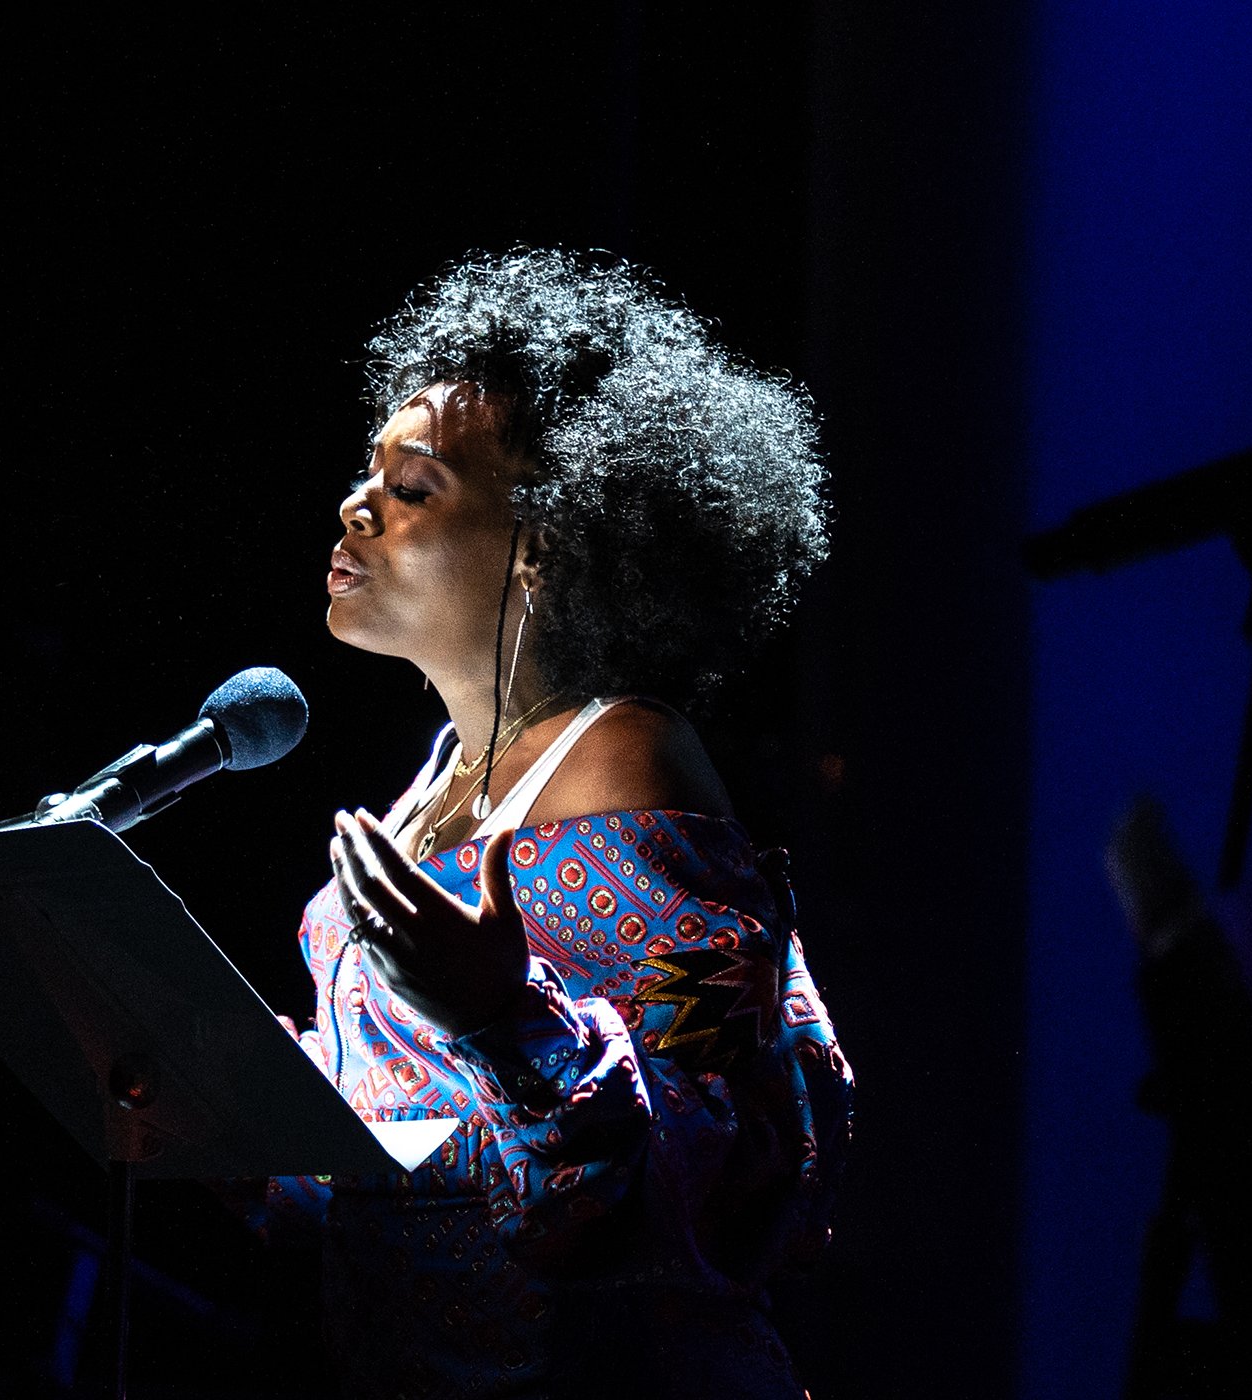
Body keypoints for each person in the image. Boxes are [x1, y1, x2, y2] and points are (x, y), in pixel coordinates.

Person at [265, 249, 853, 1399]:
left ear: (543, 541)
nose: (357, 503)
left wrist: (499, 1015)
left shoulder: (622, 757)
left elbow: (724, 1130)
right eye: (365, 473)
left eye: (415, 486)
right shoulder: (436, 778)